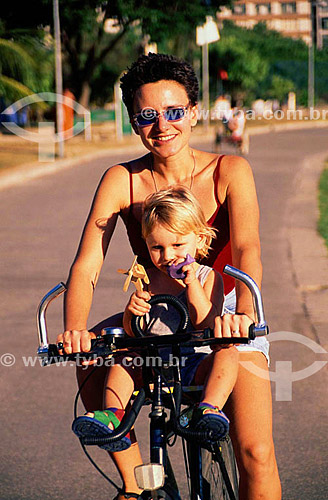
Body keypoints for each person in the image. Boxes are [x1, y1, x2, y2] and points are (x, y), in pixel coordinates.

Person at [57, 53, 281, 500]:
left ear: (194, 112)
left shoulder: (229, 171)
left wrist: (245, 314)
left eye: (174, 112)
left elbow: (248, 248)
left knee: (255, 450)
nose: (162, 126)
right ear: (133, 120)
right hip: (157, 309)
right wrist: (74, 330)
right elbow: (88, 263)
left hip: (225, 309)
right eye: (147, 115)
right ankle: (135, 482)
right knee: (90, 359)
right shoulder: (122, 179)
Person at [72, 187, 238, 464]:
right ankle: (114, 415)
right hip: (151, 363)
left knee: (228, 352)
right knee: (124, 359)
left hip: (195, 362)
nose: (167, 256)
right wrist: (132, 311)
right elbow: (132, 330)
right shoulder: (146, 278)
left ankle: (209, 409)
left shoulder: (209, 278)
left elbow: (206, 324)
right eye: (157, 248)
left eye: (177, 246)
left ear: (199, 240)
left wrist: (192, 284)